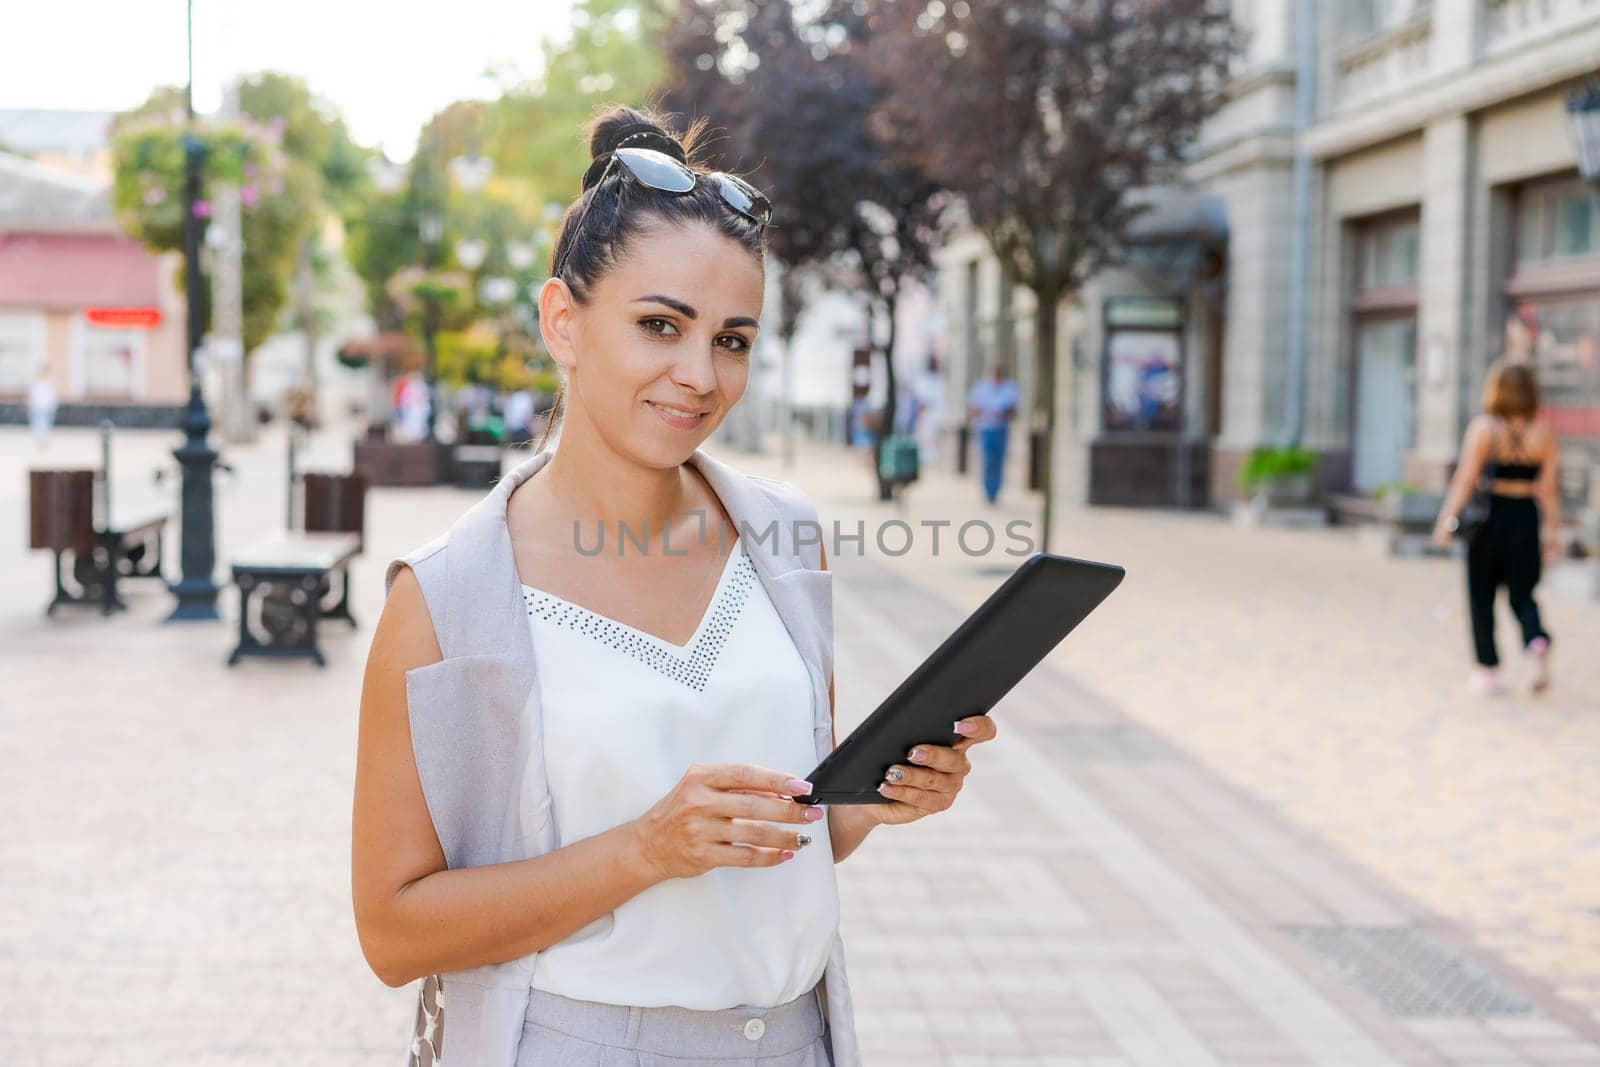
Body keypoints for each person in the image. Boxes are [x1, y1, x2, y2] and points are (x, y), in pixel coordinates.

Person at [353, 105, 998, 1067]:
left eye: (732, 340)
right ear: (562, 321)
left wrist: (877, 796)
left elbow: (785, 837)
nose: (698, 375)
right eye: (661, 325)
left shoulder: (784, 540)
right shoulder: (448, 600)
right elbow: (395, 932)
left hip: (794, 1041)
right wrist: (646, 847)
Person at [1431, 359, 1562, 695]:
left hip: (1488, 521)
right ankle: (1536, 641)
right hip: (1525, 518)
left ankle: (1488, 670)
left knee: (1481, 596)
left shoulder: (1484, 429)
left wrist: (1446, 522)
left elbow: (1465, 480)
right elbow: (1547, 491)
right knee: (1523, 594)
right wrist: (1552, 533)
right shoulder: (1543, 433)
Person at [967, 361, 1019, 504]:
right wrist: (983, 412)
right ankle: (988, 491)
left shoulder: (1010, 388)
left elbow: (1014, 411)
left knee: (998, 461)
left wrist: (1003, 414)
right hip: (986, 429)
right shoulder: (981, 387)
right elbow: (973, 409)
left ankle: (996, 490)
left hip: (1001, 428)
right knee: (988, 460)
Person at [27, 368, 58, 450]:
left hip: (46, 407)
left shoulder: (50, 383)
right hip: (37, 407)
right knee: (38, 423)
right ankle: (39, 440)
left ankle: (44, 440)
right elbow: (32, 396)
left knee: (46, 424)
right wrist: (30, 405)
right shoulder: (36, 383)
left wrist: (53, 406)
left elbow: (53, 396)